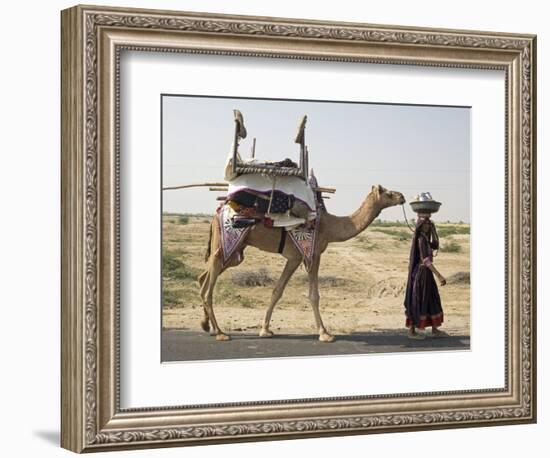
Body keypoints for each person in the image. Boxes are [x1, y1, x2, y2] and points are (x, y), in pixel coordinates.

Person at [403, 216, 447, 339]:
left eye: (429, 224)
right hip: (422, 273)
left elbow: (436, 245)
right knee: (419, 300)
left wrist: (433, 231)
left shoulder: (425, 238)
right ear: (420, 226)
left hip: (427, 274)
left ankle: (435, 330)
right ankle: (411, 332)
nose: (427, 226)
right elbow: (426, 260)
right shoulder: (421, 239)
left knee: (432, 299)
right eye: (425, 224)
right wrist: (439, 275)